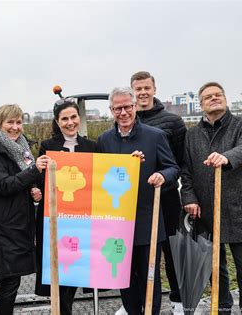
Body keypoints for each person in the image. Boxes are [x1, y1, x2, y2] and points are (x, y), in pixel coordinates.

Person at [97, 86, 179, 315]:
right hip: (118, 221)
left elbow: (172, 168)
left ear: (135, 107)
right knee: (125, 278)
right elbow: (100, 177)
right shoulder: (104, 140)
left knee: (149, 277)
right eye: (117, 108)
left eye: (127, 107)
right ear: (111, 110)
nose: (123, 112)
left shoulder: (154, 136)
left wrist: (162, 175)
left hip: (147, 220)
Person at [181, 82, 242, 314]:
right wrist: (189, 197)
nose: (214, 98)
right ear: (201, 104)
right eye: (208, 97)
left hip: (240, 208)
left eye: (218, 95)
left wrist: (226, 157)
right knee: (215, 267)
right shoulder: (191, 135)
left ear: (225, 99)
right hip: (206, 209)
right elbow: (186, 170)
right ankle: (222, 307)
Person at [0, 104, 49, 314]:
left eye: (19, 122)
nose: (15, 127)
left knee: (12, 281)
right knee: (8, 282)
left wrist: (33, 189)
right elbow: (4, 185)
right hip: (2, 226)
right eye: (10, 122)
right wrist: (34, 172)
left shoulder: (21, 149)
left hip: (18, 224)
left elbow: (20, 181)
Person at [129, 70, 186, 313]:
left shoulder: (171, 121)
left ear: (154, 89)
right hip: (136, 200)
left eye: (146, 88)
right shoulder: (126, 120)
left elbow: (182, 162)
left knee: (171, 251)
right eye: (138, 89)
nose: (142, 93)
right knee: (138, 252)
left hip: (166, 197)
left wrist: (166, 182)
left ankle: (178, 300)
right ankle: (137, 301)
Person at [35, 97, 97, 314]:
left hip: (83, 220)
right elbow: (39, 182)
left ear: (79, 118)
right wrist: (39, 173)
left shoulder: (92, 146)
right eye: (64, 119)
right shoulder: (48, 147)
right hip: (57, 220)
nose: (70, 122)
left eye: (73, 117)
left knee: (77, 267)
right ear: (57, 121)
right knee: (59, 274)